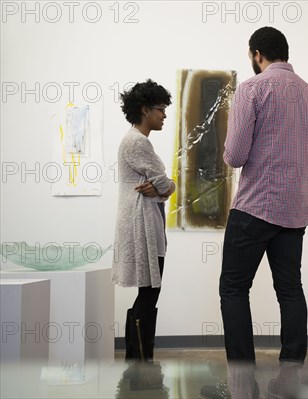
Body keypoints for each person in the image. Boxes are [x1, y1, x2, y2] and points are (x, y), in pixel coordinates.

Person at [218, 26, 308, 397]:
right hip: (293, 211)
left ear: (256, 54)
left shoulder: (251, 89)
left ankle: (241, 382)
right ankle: (289, 379)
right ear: (285, 52)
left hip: (253, 207)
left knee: (234, 289)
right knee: (290, 290)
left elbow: (234, 156)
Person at [112, 79, 176, 363]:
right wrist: (166, 186)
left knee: (149, 292)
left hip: (144, 222)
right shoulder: (137, 142)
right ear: (144, 109)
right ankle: (139, 362)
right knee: (150, 292)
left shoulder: (138, 141)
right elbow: (165, 184)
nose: (164, 115)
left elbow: (160, 186)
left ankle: (139, 360)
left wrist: (162, 187)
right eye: (160, 109)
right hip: (141, 226)